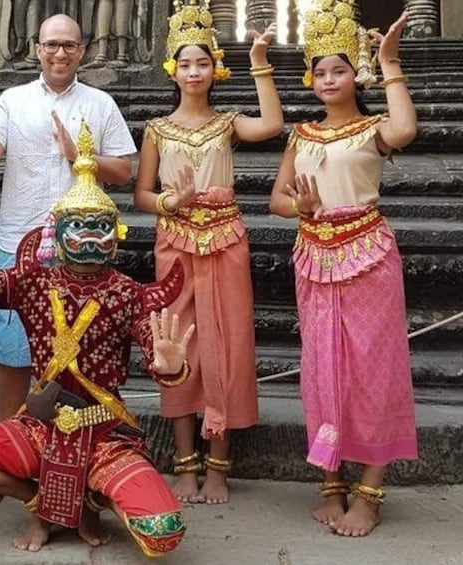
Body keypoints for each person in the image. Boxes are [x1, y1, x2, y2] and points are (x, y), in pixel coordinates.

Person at [0, 121, 193, 557]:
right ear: (57, 232)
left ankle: (89, 503)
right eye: (79, 226)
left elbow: (156, 352)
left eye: (101, 227)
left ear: (116, 236)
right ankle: (41, 505)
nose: (91, 237)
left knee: (163, 529)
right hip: (39, 427)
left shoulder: (128, 293)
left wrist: (170, 368)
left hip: (105, 435)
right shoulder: (34, 281)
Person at [269, 1, 418, 537]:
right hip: (314, 255)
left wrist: (390, 62)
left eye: (339, 70)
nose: (328, 79)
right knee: (322, 367)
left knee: (375, 369)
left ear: (357, 75)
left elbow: (404, 129)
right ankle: (330, 481)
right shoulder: (302, 135)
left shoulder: (373, 128)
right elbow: (278, 200)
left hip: (368, 257)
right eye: (320, 72)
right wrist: (302, 208)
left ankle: (370, 492)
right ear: (310, 79)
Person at [0, 12, 137, 444]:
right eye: (52, 44)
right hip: (21, 242)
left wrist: (80, 157)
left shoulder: (99, 104)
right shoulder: (13, 101)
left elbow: (124, 171)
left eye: (69, 45)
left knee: (79, 356)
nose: (60, 53)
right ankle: (9, 448)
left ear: (83, 51)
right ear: (37, 48)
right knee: (15, 353)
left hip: (83, 251)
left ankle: (68, 454)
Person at [134, 0, 282, 504]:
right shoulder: (157, 128)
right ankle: (184, 463)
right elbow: (141, 195)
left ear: (215, 67)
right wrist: (171, 200)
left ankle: (219, 464)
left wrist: (260, 61)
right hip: (175, 240)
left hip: (225, 241)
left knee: (226, 342)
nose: (194, 71)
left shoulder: (228, 124)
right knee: (175, 342)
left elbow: (272, 126)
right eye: (185, 62)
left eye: (203, 62)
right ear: (172, 70)